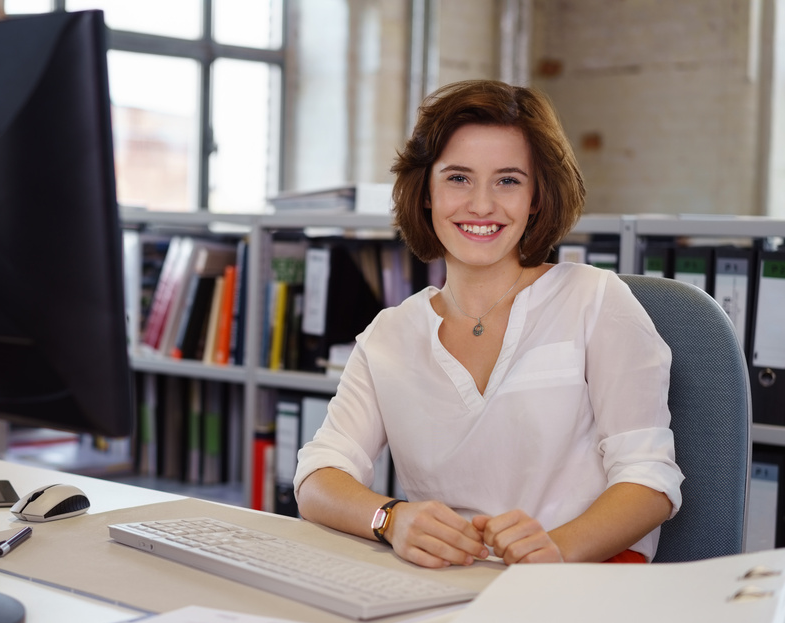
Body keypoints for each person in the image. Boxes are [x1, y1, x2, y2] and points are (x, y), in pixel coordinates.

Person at [293, 80, 683, 567]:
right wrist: (390, 518)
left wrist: (556, 549)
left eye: (508, 180)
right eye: (458, 178)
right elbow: (317, 476)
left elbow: (649, 480)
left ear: (536, 197)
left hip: (580, 583)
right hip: (443, 588)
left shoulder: (595, 301)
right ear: (427, 192)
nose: (481, 205)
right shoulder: (388, 336)